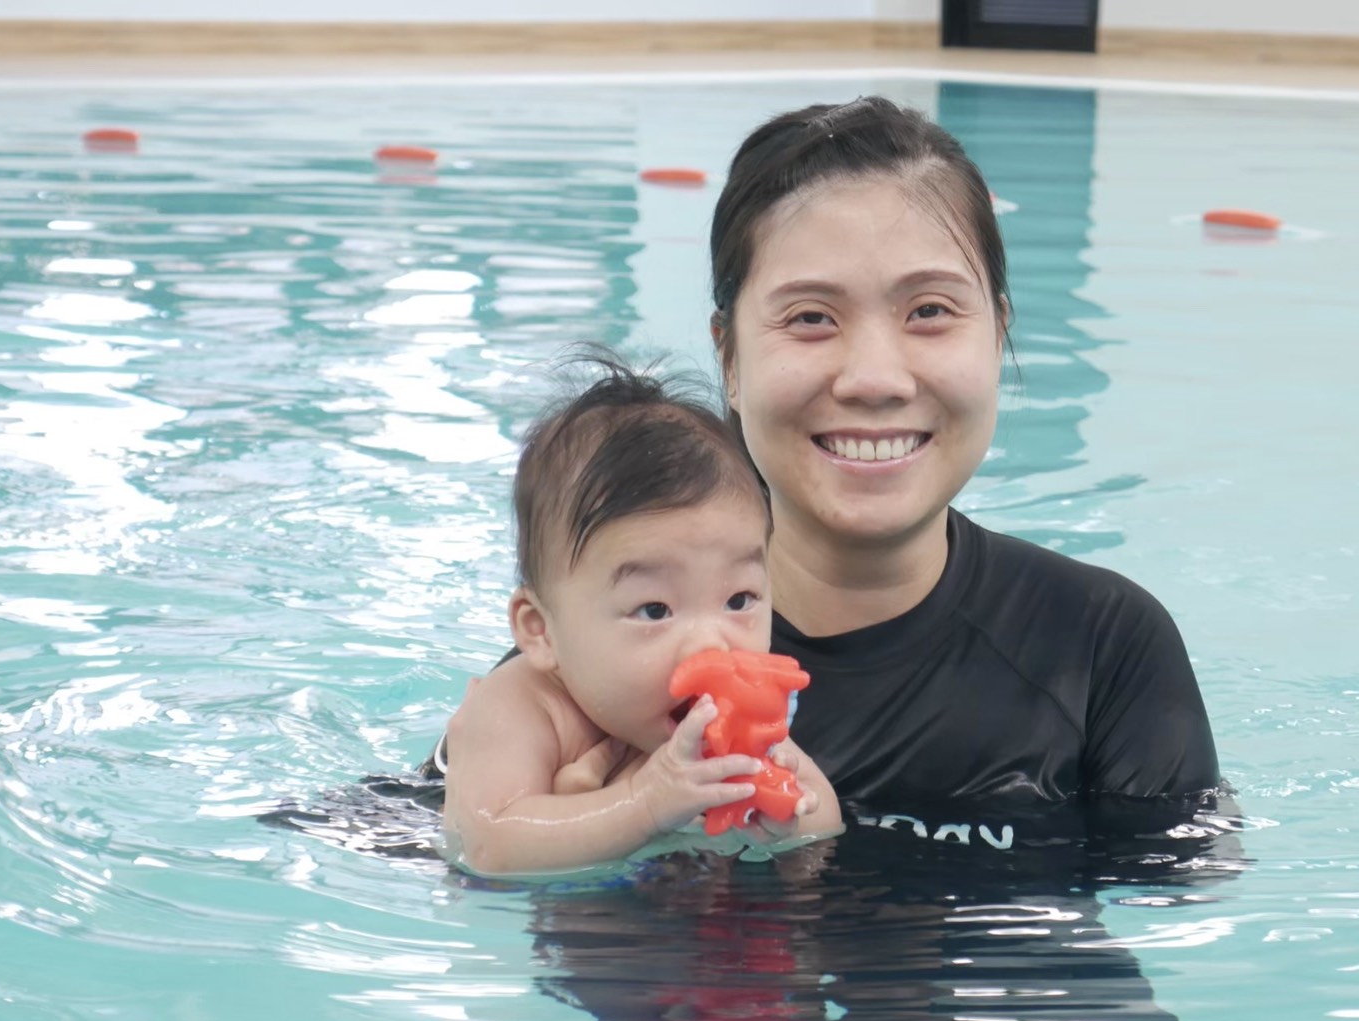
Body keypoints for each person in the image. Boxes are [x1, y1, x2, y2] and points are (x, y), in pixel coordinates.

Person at [698, 94, 1223, 812]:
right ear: (729, 357)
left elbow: (1173, 915)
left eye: (930, 312)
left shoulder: (1101, 648)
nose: (876, 380)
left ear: (997, 334)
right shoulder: (619, 639)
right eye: (811, 318)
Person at [438, 359, 841, 876]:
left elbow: (825, 818)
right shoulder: (519, 707)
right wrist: (644, 804)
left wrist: (784, 819)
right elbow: (489, 846)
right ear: (540, 630)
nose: (711, 647)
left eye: (739, 600)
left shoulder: (728, 721)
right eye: (655, 610)